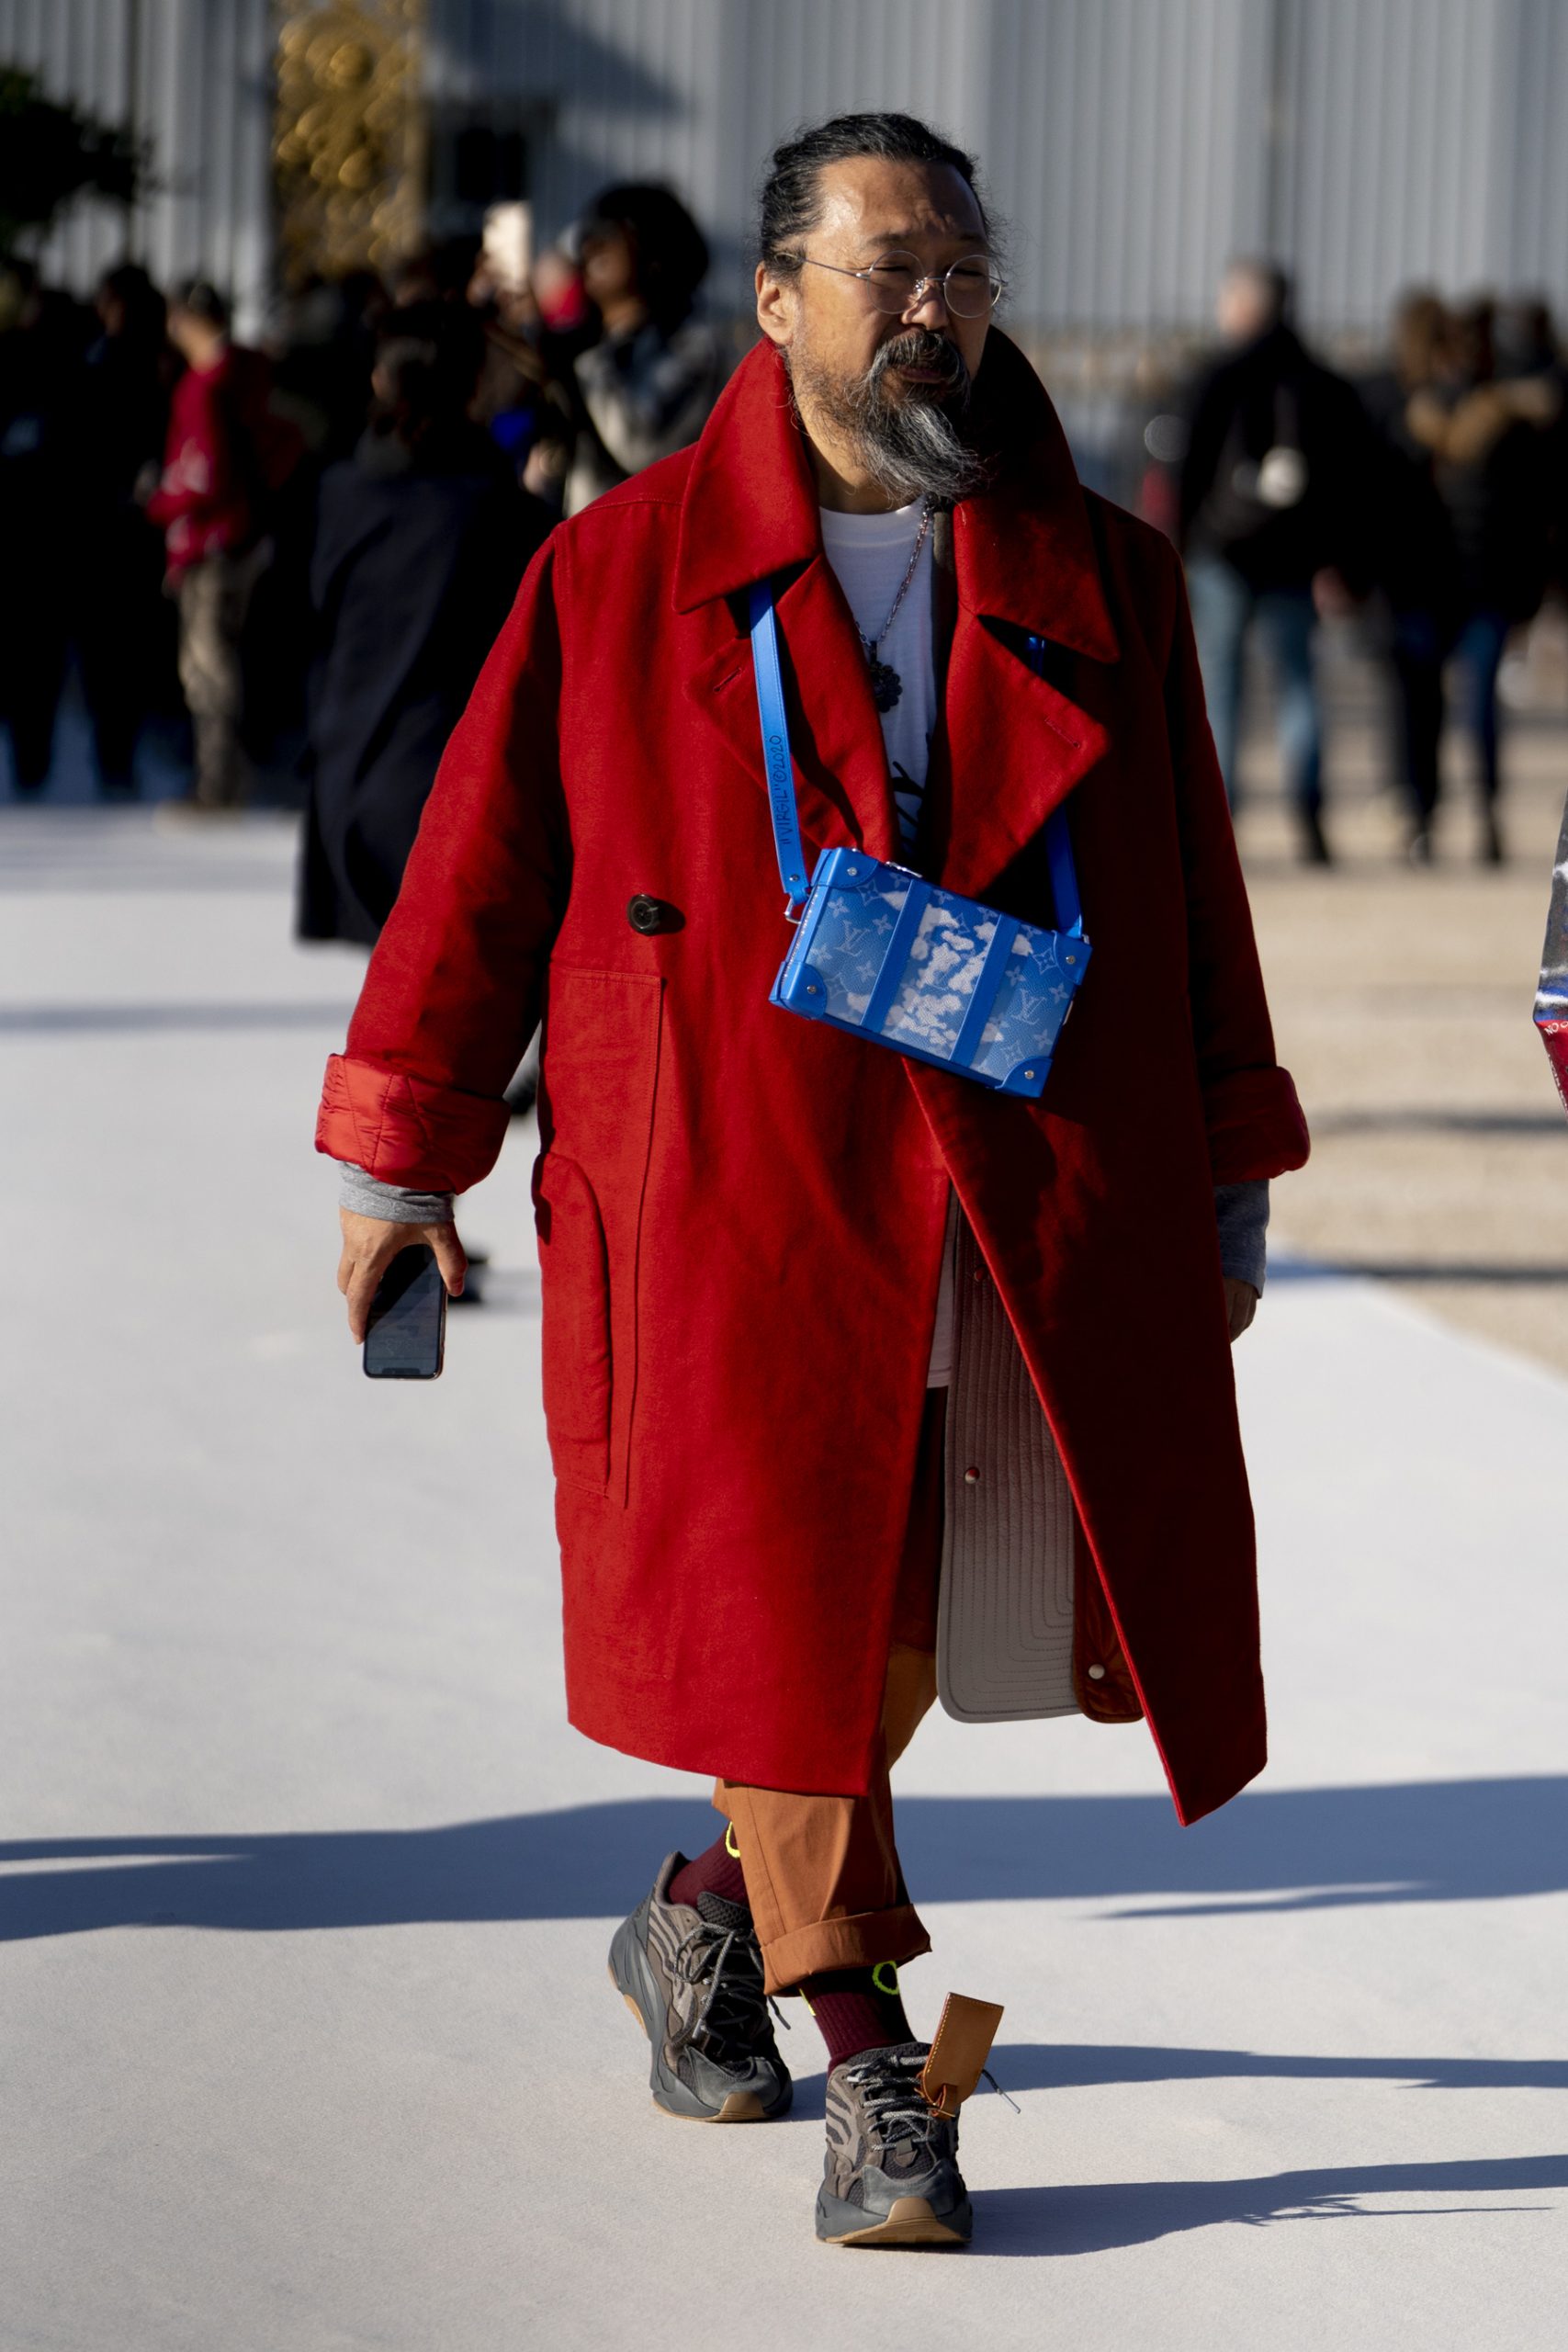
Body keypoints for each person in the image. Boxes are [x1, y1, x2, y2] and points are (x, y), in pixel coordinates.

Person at [316, 111, 1307, 2248]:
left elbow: (1189, 892)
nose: (938, 305)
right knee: (789, 1580)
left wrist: (1226, 1152)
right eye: (891, 267)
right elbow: (479, 873)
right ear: (774, 304)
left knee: (920, 1621)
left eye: (962, 262)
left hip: (1011, 1178)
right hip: (725, 1180)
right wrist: (405, 1145)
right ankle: (867, 2052)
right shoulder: (616, 568)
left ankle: (699, 1904)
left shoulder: (1105, 580)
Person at [297, 322, 552, 945]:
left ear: (380, 381)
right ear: (474, 390)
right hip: (448, 784)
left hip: (346, 770)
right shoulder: (499, 509)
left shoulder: (338, 491)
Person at [1178, 260, 1375, 863]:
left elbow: (1188, 467)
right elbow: (1353, 484)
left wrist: (1180, 547)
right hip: (1296, 559)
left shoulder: (1216, 375)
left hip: (1223, 553)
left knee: (1222, 691)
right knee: (1298, 685)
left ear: (1242, 305)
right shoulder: (1324, 382)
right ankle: (1308, 813)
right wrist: (1342, 563)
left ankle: (1221, 820)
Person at [1406, 300, 1561, 864]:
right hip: (1470, 585)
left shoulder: (1418, 416)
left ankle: (1435, 816)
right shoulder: (1511, 420)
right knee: (1466, 707)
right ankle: (1473, 813)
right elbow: (1535, 517)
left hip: (1449, 586)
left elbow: (1533, 513)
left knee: (1444, 707)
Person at [143, 278, 301, 811]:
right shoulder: (255, 372)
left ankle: (220, 780)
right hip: (249, 532)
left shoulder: (205, 385)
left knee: (209, 667)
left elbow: (202, 472)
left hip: (212, 539)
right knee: (238, 657)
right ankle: (239, 770)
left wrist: (160, 500)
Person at [1356, 290, 1463, 860]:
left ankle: (1408, 796)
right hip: (1439, 566)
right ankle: (1422, 802)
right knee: (1426, 692)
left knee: (1402, 690)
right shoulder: (1450, 397)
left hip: (1393, 568)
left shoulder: (1382, 394)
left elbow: (1358, 486)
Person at [74, 263, 178, 796]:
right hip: (132, 525)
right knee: (125, 647)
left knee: (112, 649)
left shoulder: (112, 364)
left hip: (116, 527)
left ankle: (115, 750)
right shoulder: (154, 365)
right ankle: (119, 749)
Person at [561, 182, 727, 513]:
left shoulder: (693, 346)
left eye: (610, 233)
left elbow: (638, 445)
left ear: (656, 251)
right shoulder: (590, 342)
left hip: (641, 544)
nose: (591, 247)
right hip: (580, 545)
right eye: (589, 233)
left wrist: (583, 366)